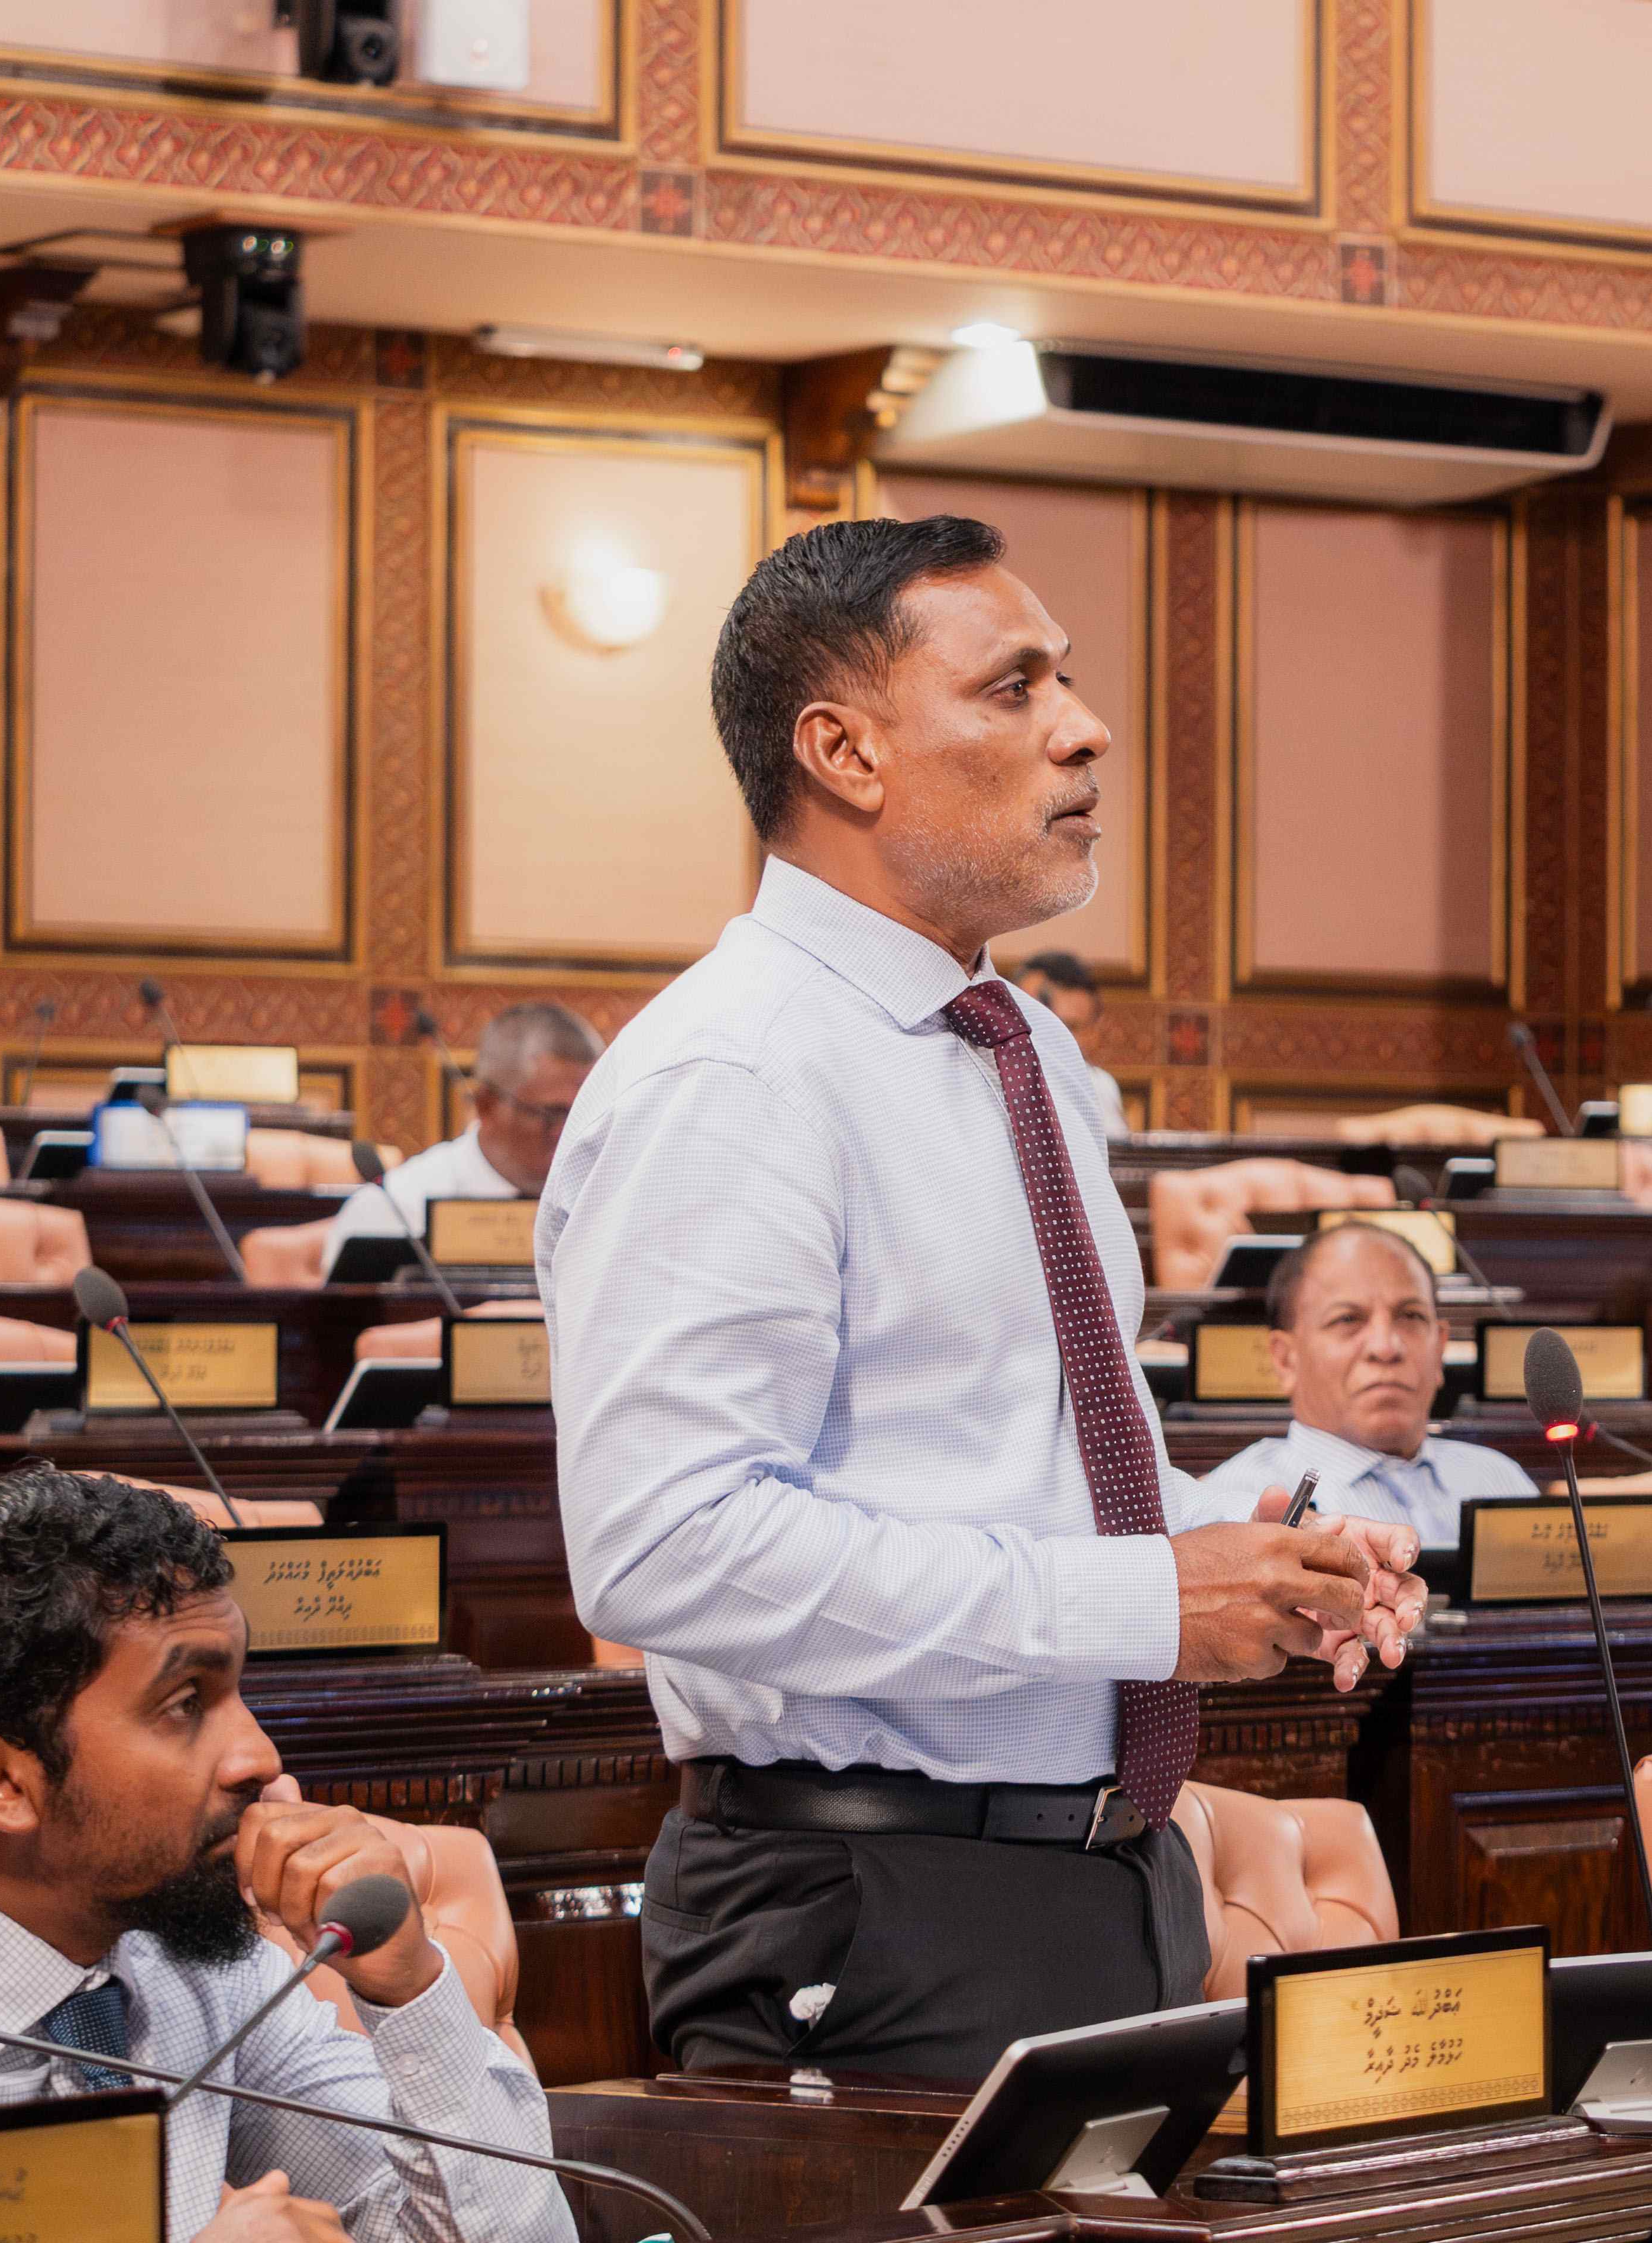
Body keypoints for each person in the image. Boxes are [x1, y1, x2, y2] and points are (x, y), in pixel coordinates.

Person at [539, 512, 1425, 2083]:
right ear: (845, 752)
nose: (1084, 731)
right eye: (1014, 689)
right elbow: (663, 1547)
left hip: (1109, 1865)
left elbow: (1023, 1457)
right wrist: (1146, 1601)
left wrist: (1260, 1550)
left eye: (1064, 682)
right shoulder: (732, 1072)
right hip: (871, 1899)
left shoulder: (1027, 1049)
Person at [0, 1465, 574, 2243]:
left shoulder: (196, 1964)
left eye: (240, 1694)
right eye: (185, 1704)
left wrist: (408, 1984)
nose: (260, 1756)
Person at [1195, 1224, 1538, 1546]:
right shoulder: (1239, 1502)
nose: (1386, 1348)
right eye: (1347, 1319)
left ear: (1440, 1348)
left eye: (1411, 1316)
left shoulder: (1499, 1480)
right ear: (1285, 1360)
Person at [320, 1004, 603, 1279]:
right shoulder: (395, 1209)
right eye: (555, 1114)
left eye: (591, 1115)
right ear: (487, 1105)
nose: (575, 1133)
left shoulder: (608, 1201)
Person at [1014, 949, 1129, 1139]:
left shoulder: (1098, 1084)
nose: (1033, 1032)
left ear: (1095, 1031)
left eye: (1071, 1027)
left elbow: (1115, 1154)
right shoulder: (984, 1079)